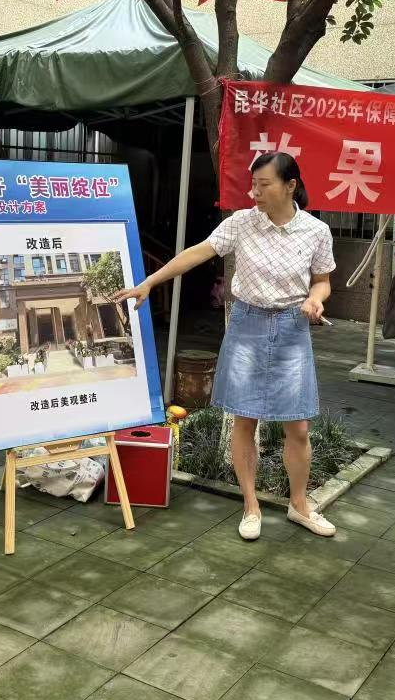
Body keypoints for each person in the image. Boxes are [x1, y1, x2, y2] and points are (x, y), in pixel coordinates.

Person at [115, 152, 337, 540]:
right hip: (247, 324)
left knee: (299, 426)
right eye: (253, 185)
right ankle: (251, 506)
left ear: (290, 186)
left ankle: (300, 505)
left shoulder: (316, 231)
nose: (255, 193)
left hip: (292, 328)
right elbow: (196, 253)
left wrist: (316, 299)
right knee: (244, 420)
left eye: (263, 185)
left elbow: (322, 281)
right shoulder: (240, 223)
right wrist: (150, 281)